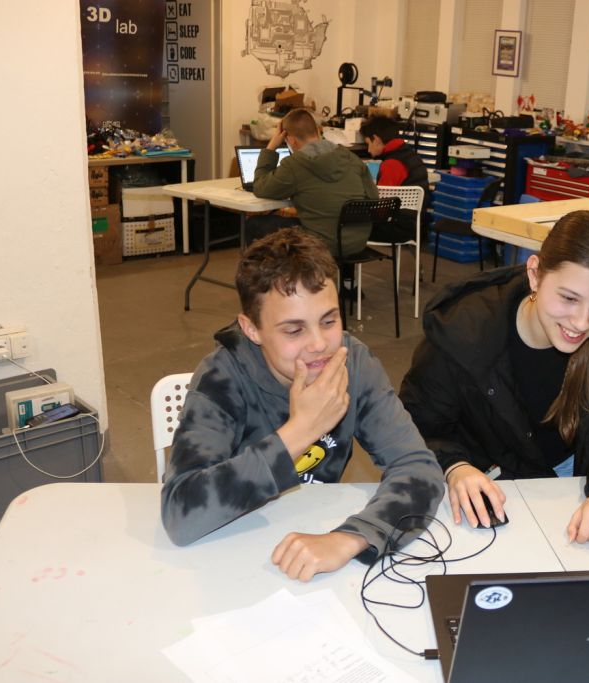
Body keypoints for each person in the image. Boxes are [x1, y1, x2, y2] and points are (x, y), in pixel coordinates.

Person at [161, 229, 444, 581]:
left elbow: (418, 468)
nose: (319, 344)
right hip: (228, 556)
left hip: (312, 546)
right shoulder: (221, 378)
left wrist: (351, 538)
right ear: (251, 329)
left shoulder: (352, 363)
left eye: (329, 321)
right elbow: (181, 514)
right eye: (294, 331)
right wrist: (300, 431)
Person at [399, 210, 589, 545]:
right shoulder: (462, 330)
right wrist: (454, 466)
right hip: (489, 483)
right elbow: (415, 424)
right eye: (569, 298)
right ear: (534, 274)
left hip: (579, 478)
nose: (582, 322)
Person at [252, 108, 378, 257]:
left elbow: (261, 188)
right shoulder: (351, 158)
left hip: (321, 245)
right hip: (357, 242)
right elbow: (373, 198)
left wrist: (271, 148)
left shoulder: (294, 165)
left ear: (291, 140)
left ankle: (281, 272)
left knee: (255, 224)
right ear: (318, 131)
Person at [359, 115, 429, 240]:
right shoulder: (409, 154)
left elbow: (380, 209)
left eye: (368, 143)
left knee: (347, 223)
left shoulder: (392, 164)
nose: (368, 150)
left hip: (395, 229)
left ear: (376, 139)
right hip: (414, 224)